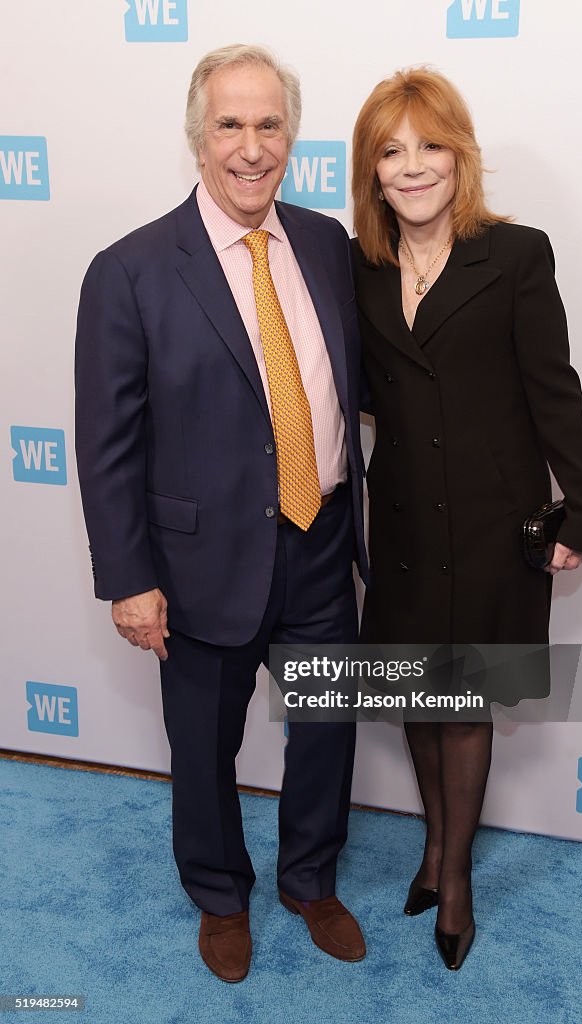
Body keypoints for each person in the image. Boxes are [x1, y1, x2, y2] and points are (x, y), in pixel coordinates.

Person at [75, 44, 369, 983]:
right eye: (231, 125)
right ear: (199, 139)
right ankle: (218, 893)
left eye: (269, 124)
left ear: (291, 136)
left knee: (328, 725)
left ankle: (310, 879)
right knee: (202, 743)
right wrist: (129, 579)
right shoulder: (127, 270)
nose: (251, 146)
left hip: (321, 539)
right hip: (198, 561)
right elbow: (108, 444)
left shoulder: (326, 242)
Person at [351, 68, 582, 971]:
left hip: (497, 523)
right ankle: (430, 849)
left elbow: (553, 388)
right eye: (391, 151)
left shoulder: (516, 253)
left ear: (460, 157)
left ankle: (453, 884)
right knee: (417, 700)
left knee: (462, 706)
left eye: (429, 146)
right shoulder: (360, 267)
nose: (412, 167)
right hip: (408, 526)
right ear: (371, 172)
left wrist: (581, 503)